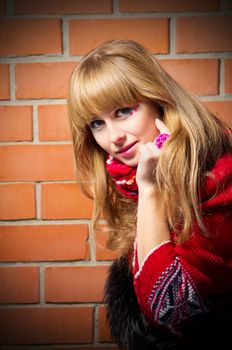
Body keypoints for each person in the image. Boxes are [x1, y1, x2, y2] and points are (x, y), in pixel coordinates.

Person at [67, 39, 232, 349]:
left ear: (158, 98)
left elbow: (168, 310)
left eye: (124, 111)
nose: (113, 136)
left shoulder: (215, 176)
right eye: (97, 123)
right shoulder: (132, 173)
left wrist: (151, 189)